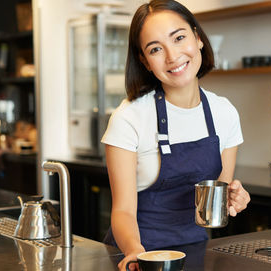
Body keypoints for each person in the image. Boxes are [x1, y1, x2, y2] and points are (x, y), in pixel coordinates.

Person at [100, 1, 251, 270]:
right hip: (137, 256)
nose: (172, 56)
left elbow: (217, 196)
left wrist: (233, 199)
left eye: (179, 38)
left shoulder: (224, 112)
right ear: (145, 61)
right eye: (155, 49)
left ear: (198, 38)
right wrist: (136, 252)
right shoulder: (129, 116)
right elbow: (122, 211)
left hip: (194, 252)